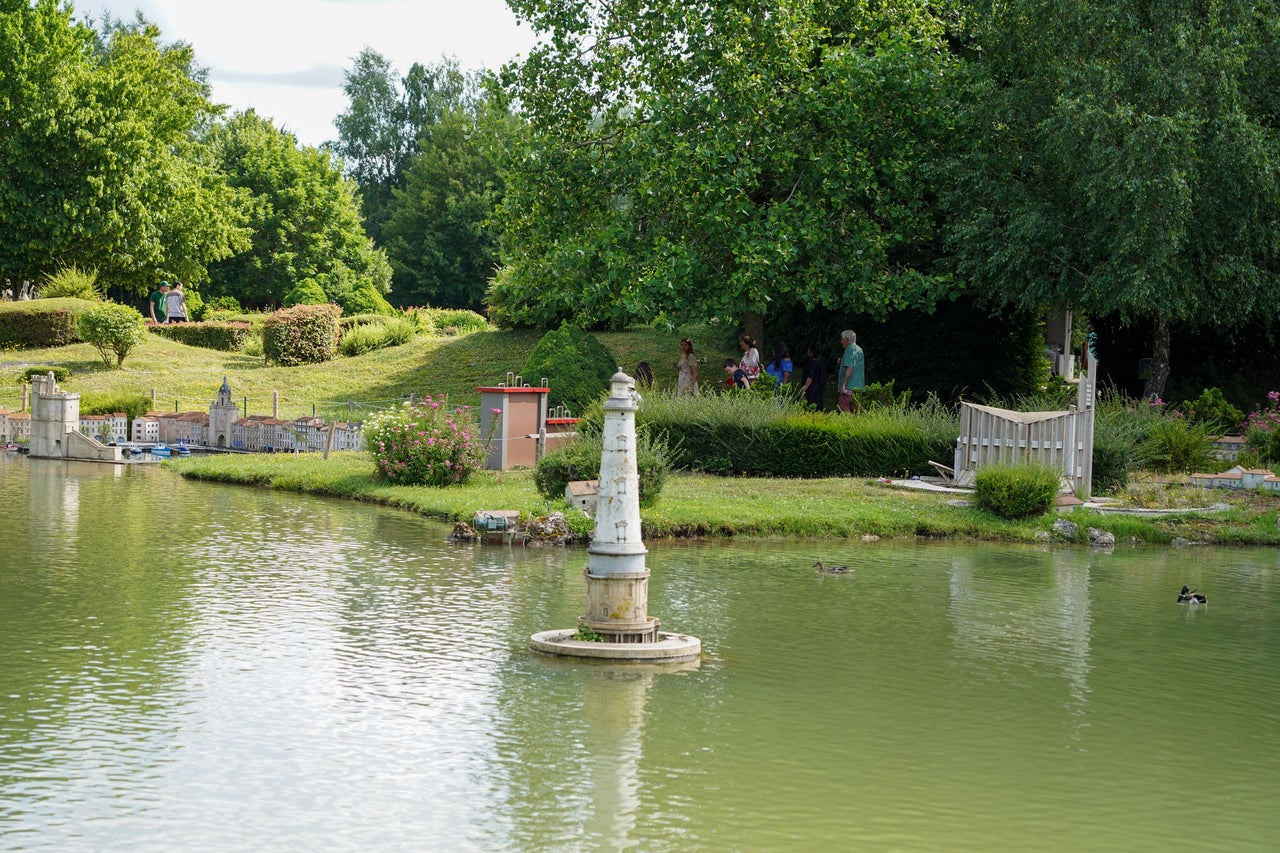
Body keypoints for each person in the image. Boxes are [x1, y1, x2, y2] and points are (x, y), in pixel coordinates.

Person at [836, 329, 865, 413]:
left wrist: (843, 385)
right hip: (858, 386)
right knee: (855, 409)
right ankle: (856, 425)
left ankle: (848, 424)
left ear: (847, 340)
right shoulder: (859, 349)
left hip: (849, 386)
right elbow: (854, 363)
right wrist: (842, 360)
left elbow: (850, 367)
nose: (841, 341)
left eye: (842, 339)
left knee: (843, 405)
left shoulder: (849, 349)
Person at [800, 342, 827, 410]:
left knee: (812, 406)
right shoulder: (821, 360)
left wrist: (804, 389)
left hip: (812, 389)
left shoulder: (814, 362)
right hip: (819, 388)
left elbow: (810, 377)